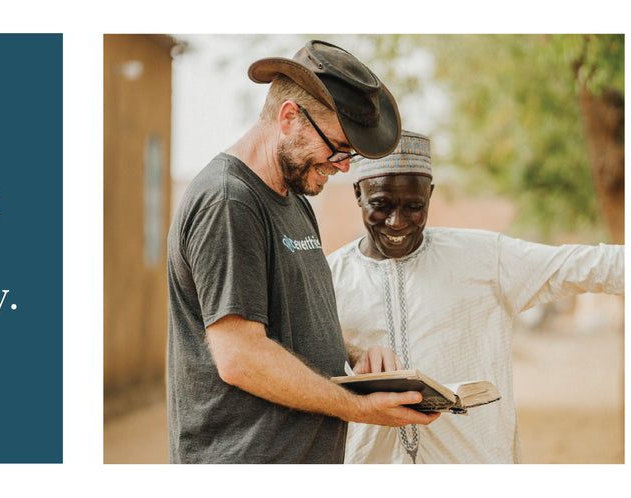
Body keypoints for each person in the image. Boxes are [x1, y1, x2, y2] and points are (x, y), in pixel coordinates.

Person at [166, 40, 439, 464]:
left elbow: (291, 325)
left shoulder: (295, 201)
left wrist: (355, 358)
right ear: (289, 117)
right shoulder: (229, 202)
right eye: (338, 146)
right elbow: (241, 356)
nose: (343, 165)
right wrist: (359, 407)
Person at [326, 130, 625, 463]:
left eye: (414, 206)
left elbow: (581, 265)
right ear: (358, 193)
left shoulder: (483, 258)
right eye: (381, 205)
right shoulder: (326, 278)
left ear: (430, 195)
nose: (397, 222)